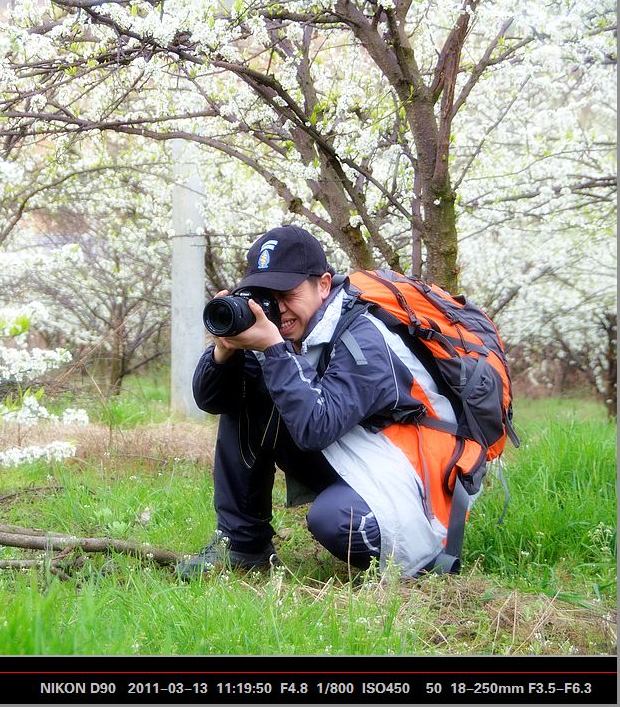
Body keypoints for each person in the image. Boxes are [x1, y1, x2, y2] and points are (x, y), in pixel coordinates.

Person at [178, 224, 469, 579]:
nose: (277, 308)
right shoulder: (286, 332)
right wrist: (224, 352)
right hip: (357, 454)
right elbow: (212, 400)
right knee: (247, 397)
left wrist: (275, 350)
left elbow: (317, 428)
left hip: (413, 475)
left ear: (324, 285)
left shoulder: (362, 337)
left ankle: (419, 554)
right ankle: (243, 546)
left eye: (287, 293)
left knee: (336, 519)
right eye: (264, 295)